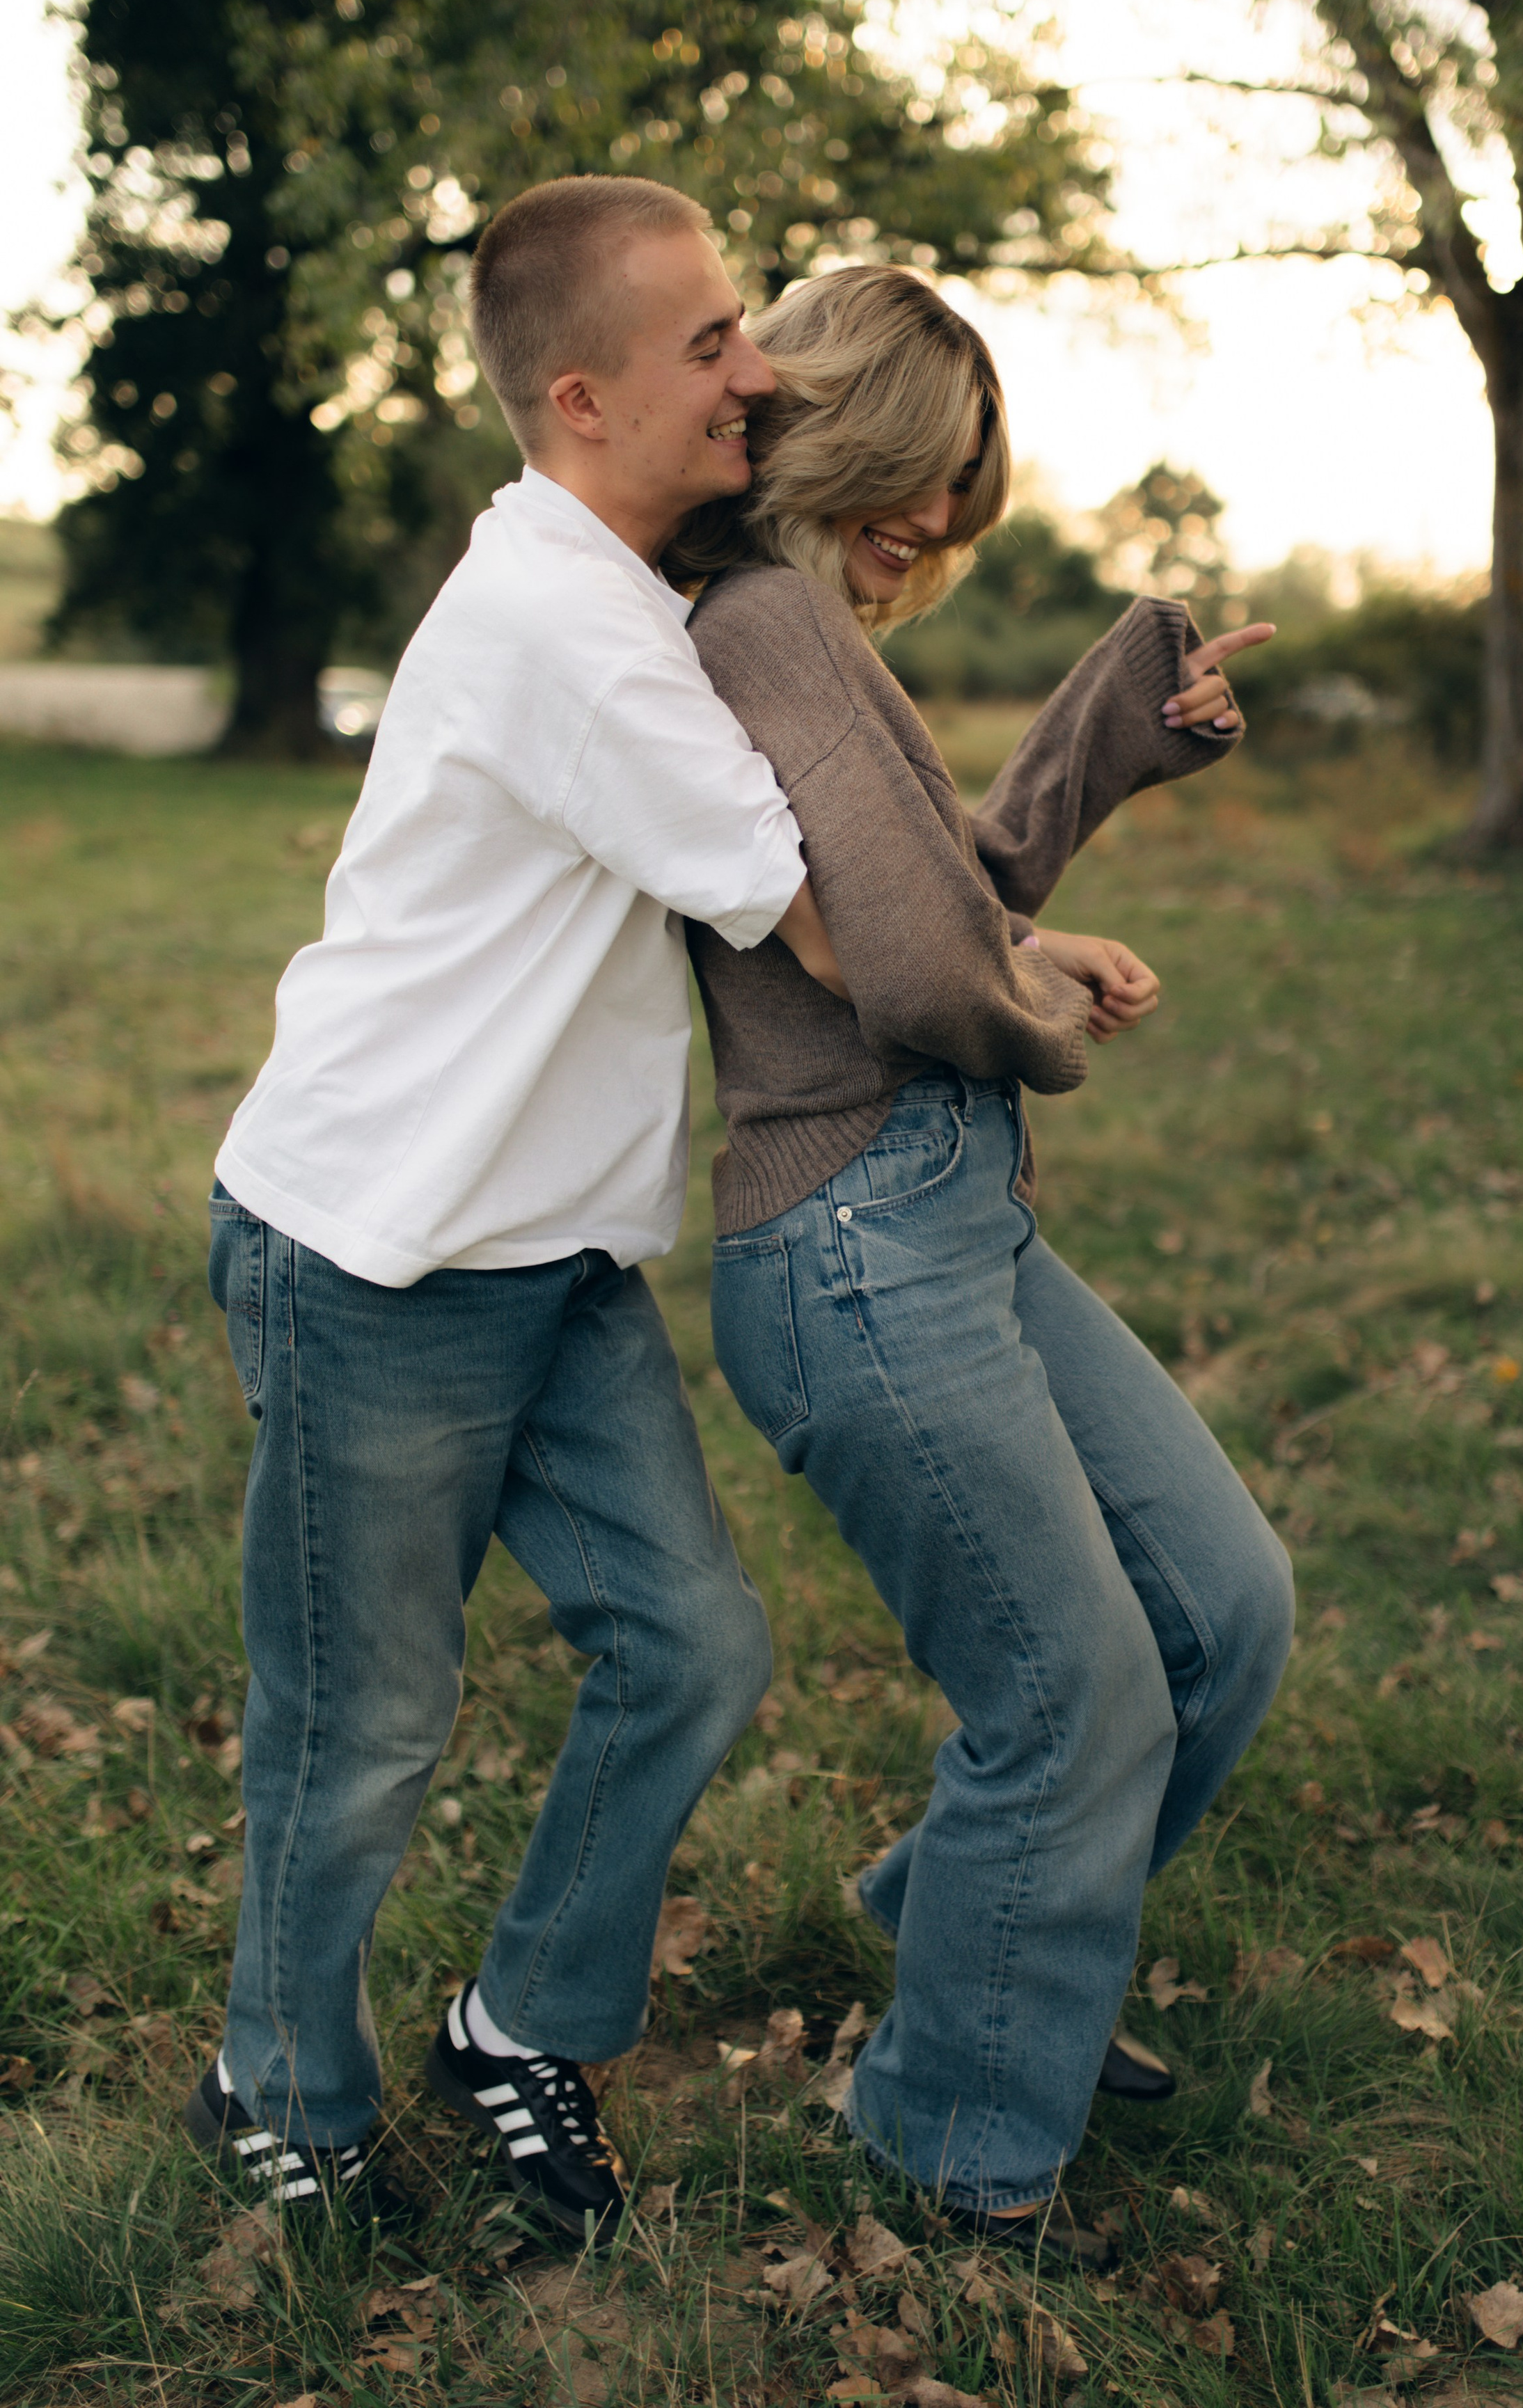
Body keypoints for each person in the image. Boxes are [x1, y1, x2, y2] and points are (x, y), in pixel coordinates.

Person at [187, 175, 849, 2240]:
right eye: (715, 347)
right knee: (365, 1726)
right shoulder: (567, 629)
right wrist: (1043, 916)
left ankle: (514, 2025)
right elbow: (834, 918)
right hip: (379, 1254)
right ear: (581, 399)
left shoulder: (615, 590)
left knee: (698, 1645)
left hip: (546, 1262)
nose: (764, 373)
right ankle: (273, 2090)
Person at [668, 266, 1295, 2251]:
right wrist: (1036, 1010)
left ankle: (988, 1951)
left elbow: (950, 884)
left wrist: (1120, 725)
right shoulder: (766, 626)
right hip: (854, 1236)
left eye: (966, 489)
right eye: (922, 472)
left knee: (1221, 1607)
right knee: (1084, 1690)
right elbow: (938, 963)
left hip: (940, 1216)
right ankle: (957, 2155)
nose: (937, 521)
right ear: (828, 428)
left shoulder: (817, 641)